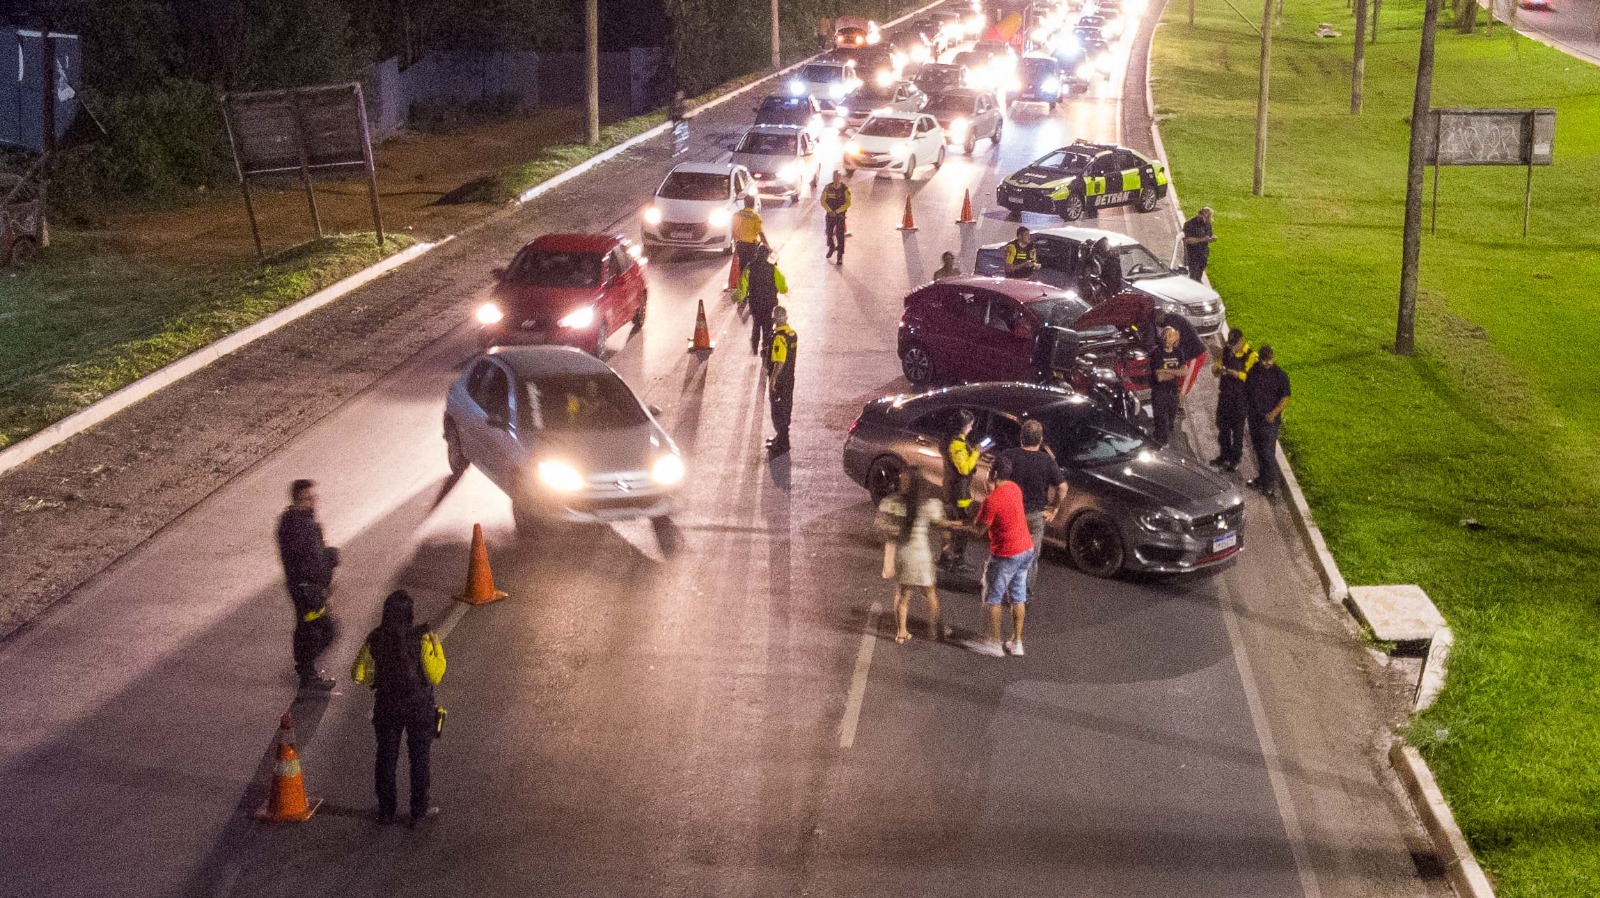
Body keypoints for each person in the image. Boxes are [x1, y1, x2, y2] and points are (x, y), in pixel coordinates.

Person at [351, 590, 445, 827]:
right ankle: (418, 812)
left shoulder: (375, 639)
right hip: (419, 707)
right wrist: (435, 645)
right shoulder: (422, 638)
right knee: (419, 759)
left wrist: (377, 679)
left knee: (386, 758)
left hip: (387, 707)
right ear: (410, 614)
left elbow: (358, 674)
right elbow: (436, 674)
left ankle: (386, 811)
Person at [276, 479, 340, 691]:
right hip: (308, 591)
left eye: (315, 497)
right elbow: (311, 561)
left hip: (304, 588)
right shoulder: (301, 526)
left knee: (307, 628)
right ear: (298, 500)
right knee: (323, 630)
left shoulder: (293, 522)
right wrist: (330, 560)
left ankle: (304, 667)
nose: (314, 502)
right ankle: (306, 671)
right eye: (309, 498)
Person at [875, 470, 950, 644]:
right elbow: (943, 528)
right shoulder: (929, 504)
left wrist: (888, 558)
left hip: (903, 556)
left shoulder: (892, 503)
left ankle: (901, 632)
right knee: (929, 592)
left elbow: (882, 530)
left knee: (902, 596)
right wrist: (946, 545)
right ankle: (934, 630)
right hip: (921, 556)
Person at [970, 455, 1034, 657]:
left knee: (993, 597)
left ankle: (994, 643)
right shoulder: (1015, 489)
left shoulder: (992, 500)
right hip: (1025, 550)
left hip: (1006, 554)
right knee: (1018, 596)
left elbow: (978, 530)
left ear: (994, 473)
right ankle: (1017, 642)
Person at [997, 420, 1065, 598]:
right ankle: (1023, 594)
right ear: (1040, 439)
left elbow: (992, 481)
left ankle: (1003, 590)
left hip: (1012, 514)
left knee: (1008, 553)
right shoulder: (1046, 461)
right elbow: (1063, 487)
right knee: (1030, 558)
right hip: (1035, 515)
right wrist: (1054, 508)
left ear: (1021, 437)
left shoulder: (1008, 455)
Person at [1246, 345, 1291, 498]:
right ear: (1260, 359)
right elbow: (1248, 390)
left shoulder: (1280, 375)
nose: (1267, 363)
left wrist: (1273, 414)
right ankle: (1262, 478)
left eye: (1269, 360)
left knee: (1267, 452)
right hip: (1254, 417)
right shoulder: (1254, 371)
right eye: (1264, 360)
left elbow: (1285, 398)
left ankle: (1270, 483)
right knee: (1258, 450)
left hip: (1269, 421)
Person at [939, 410, 981, 572]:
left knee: (950, 524)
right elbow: (964, 469)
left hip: (951, 490)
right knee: (963, 524)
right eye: (969, 426)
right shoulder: (957, 444)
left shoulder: (950, 440)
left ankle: (946, 557)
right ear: (962, 427)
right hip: (960, 493)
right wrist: (976, 452)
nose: (971, 428)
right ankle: (956, 559)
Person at [1210, 327, 1257, 472]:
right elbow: (1216, 370)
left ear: (1242, 341)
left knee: (1237, 430)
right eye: (1230, 344)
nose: (1232, 347)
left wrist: (1236, 374)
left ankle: (1236, 458)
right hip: (1225, 396)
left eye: (1234, 344)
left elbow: (1252, 378)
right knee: (1222, 426)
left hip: (1240, 399)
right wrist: (1217, 369)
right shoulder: (1226, 350)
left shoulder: (1251, 355)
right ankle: (1225, 455)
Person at [740, 243, 787, 356]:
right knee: (768, 326)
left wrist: (739, 298)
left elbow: (743, 287)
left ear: (757, 254)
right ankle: (766, 348)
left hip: (755, 303)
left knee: (756, 324)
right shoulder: (773, 269)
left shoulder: (749, 268)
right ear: (767, 256)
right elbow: (783, 287)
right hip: (769, 304)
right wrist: (782, 289)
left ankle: (755, 347)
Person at [767, 306, 797, 457]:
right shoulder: (791, 334)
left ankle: (783, 442)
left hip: (780, 380)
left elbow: (779, 361)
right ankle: (781, 438)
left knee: (778, 410)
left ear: (776, 319)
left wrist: (772, 380)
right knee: (786, 406)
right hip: (789, 378)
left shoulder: (779, 337)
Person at [1149, 326, 1186, 447]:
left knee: (1170, 423)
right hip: (1160, 394)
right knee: (1162, 423)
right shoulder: (1157, 353)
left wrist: (1167, 370)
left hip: (1173, 393)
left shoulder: (1178, 352)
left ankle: (1161, 441)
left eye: (1170, 335)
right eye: (1164, 335)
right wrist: (1176, 372)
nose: (1166, 338)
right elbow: (1159, 378)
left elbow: (1184, 372)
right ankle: (1160, 445)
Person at [820, 170, 851, 263]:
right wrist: (829, 211)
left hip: (840, 215)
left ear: (840, 177)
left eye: (838, 176)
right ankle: (832, 246)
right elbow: (823, 200)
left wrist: (837, 211)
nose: (837, 178)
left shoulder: (845, 188)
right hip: (830, 214)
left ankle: (840, 255)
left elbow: (848, 203)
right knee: (829, 233)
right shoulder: (828, 188)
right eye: (835, 176)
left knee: (840, 235)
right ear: (833, 177)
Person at [1182, 206, 1216, 282]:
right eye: (1206, 217)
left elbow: (1209, 235)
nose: (1208, 219)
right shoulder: (1190, 224)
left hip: (1203, 254)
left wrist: (1211, 239)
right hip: (1192, 254)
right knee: (1193, 276)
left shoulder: (1207, 223)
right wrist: (1202, 239)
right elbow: (1187, 240)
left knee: (1199, 274)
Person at [732, 195, 767, 268]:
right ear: (753, 204)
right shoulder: (755, 216)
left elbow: (733, 231)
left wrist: (736, 244)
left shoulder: (738, 214)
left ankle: (742, 278)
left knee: (742, 266)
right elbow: (761, 233)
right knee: (751, 267)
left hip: (740, 245)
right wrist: (767, 246)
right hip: (751, 247)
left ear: (744, 203)